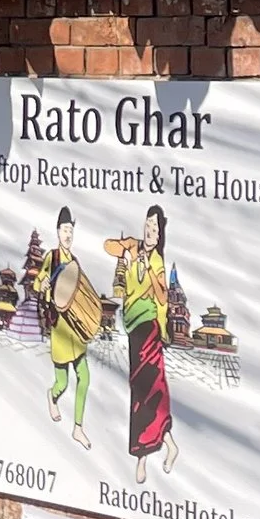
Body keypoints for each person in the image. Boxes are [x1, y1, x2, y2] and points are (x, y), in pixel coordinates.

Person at [107, 205, 181, 479]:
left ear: (160, 234)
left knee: (148, 389)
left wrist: (148, 267)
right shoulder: (135, 253)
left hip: (149, 326)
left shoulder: (157, 263)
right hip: (133, 326)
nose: (150, 232)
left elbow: (161, 298)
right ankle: (165, 445)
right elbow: (109, 248)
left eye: (155, 228)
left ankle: (143, 455)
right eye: (147, 225)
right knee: (139, 389)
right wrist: (126, 253)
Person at [30, 207, 93, 449]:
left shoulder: (74, 262)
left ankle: (78, 427)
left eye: (71, 230)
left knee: (84, 378)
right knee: (63, 383)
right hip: (60, 328)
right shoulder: (52, 257)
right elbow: (37, 283)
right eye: (65, 229)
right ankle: (52, 395)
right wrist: (42, 283)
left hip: (76, 329)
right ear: (57, 231)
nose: (68, 234)